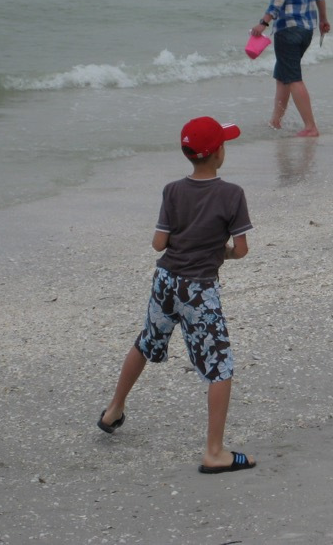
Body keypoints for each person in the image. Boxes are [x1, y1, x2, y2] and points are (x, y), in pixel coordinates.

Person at [97, 116, 256, 474]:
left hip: (166, 280)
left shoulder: (172, 190)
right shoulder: (232, 195)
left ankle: (113, 410)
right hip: (200, 289)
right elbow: (241, 249)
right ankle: (214, 452)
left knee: (147, 341)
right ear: (219, 152)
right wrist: (221, 253)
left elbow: (159, 243)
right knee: (219, 365)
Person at [250, 0, 330, 138]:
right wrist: (323, 20)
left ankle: (310, 127)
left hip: (288, 29)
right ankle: (275, 121)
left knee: (293, 77)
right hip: (307, 29)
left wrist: (263, 23)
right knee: (283, 74)